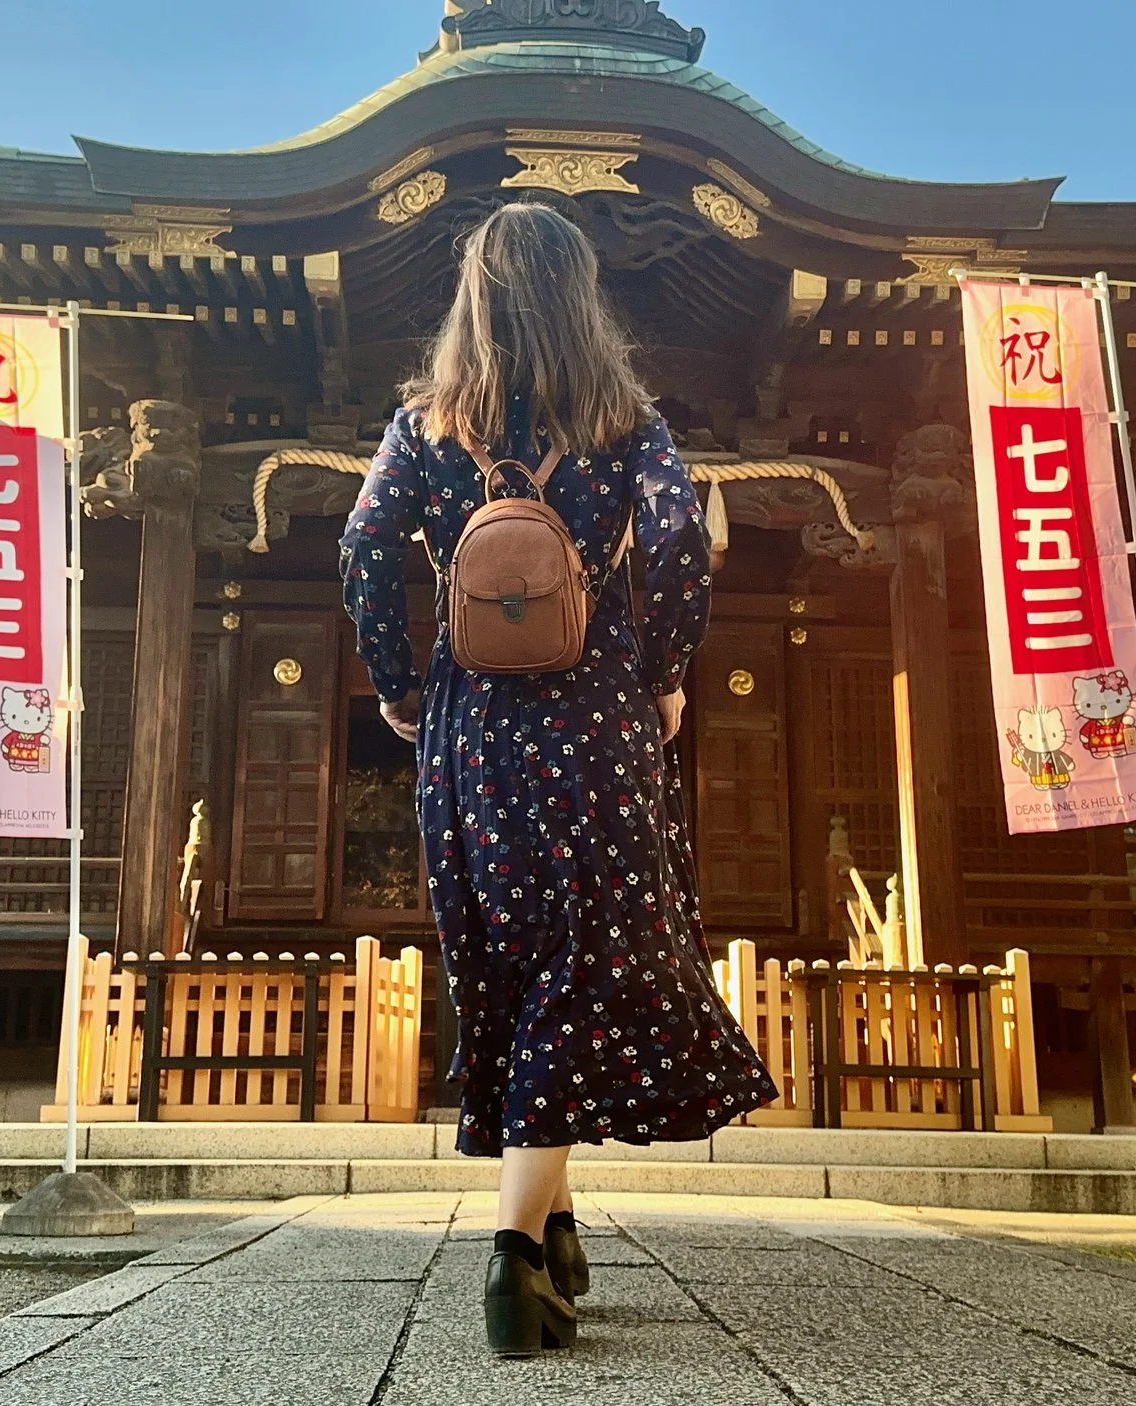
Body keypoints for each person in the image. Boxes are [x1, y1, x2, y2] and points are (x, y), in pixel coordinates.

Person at [339, 201, 777, 1357]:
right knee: (587, 958)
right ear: (581, 298)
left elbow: (364, 546)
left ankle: (559, 1221)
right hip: (594, 725)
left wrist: (398, 678)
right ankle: (518, 1253)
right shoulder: (624, 422)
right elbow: (681, 539)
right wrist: (665, 670)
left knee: (516, 966)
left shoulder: (424, 425)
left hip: (469, 728)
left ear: (470, 299)